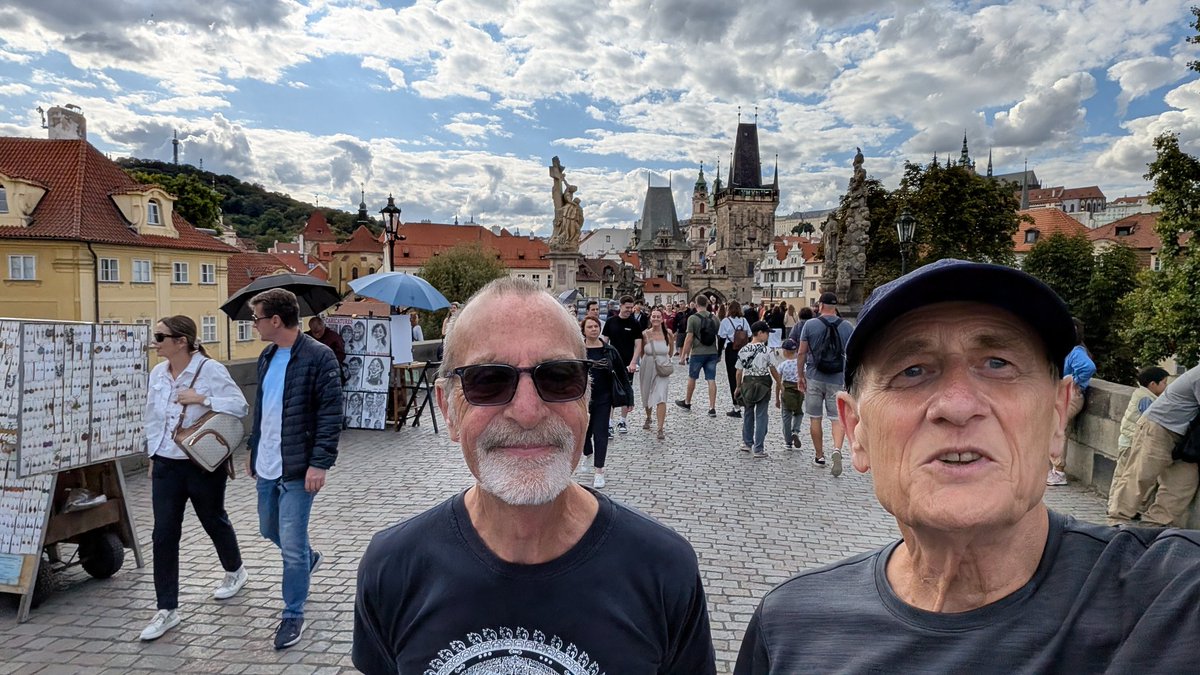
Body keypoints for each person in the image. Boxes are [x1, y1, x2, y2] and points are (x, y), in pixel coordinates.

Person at [735, 259, 1200, 673]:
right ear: (857, 430)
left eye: (998, 363)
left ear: (1058, 415)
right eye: (912, 371)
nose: (958, 406)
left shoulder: (1170, 598)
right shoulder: (790, 627)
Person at [353, 278, 716, 674]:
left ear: (587, 397)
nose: (527, 412)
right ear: (447, 407)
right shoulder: (392, 568)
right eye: (488, 380)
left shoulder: (663, 570)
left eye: (559, 377)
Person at [139, 316, 250, 641]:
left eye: (160, 336)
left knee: (213, 519)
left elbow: (240, 407)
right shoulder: (158, 373)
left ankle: (235, 571)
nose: (155, 342)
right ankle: (167, 609)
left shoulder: (209, 370)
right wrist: (152, 455)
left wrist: (202, 399)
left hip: (201, 462)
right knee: (163, 534)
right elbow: (152, 417)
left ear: (181, 341)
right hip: (166, 465)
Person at [247, 288, 344, 650]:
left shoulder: (320, 357)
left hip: (298, 467)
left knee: (290, 544)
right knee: (267, 527)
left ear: (275, 320)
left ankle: (292, 614)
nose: (253, 325)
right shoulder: (267, 355)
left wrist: (319, 463)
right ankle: (308, 558)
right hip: (267, 462)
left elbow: (331, 415)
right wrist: (252, 448)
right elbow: (263, 409)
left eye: (256, 318)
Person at [1106, 363, 1200, 527]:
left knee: (1183, 484)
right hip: (1160, 427)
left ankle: (1155, 526)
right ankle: (1117, 519)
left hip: (1187, 438)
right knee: (1141, 475)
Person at [796, 292, 854, 475]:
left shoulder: (810, 325)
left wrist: (800, 376)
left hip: (814, 376)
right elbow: (852, 356)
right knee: (837, 419)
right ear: (835, 307)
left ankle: (819, 456)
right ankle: (837, 450)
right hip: (837, 378)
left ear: (820, 306)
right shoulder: (847, 327)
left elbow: (801, 353)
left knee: (815, 418)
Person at [1105, 366, 1171, 524]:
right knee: (1124, 475)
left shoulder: (1140, 394)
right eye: (1164, 383)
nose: (1166, 387)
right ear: (1153, 384)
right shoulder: (1146, 399)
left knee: (1123, 474)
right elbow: (1148, 420)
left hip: (1127, 441)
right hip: (1131, 442)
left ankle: (1116, 505)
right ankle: (1114, 505)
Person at [579, 315, 633, 487]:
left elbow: (623, 376)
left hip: (604, 397)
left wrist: (629, 398)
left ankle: (599, 471)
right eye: (590, 327)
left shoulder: (609, 350)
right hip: (582, 398)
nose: (594, 329)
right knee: (583, 433)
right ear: (584, 330)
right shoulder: (578, 351)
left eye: (596, 326)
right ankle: (588, 454)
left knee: (600, 432)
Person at [1048, 317, 1096, 486]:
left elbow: (1088, 367)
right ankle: (1054, 470)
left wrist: (1075, 381)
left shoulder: (1075, 350)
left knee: (1058, 430)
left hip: (1071, 396)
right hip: (1064, 395)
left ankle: (1059, 472)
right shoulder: (1069, 350)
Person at [735, 321, 780, 459]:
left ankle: (747, 442)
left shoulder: (743, 350)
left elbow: (738, 371)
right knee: (761, 415)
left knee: (748, 413)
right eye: (766, 333)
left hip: (748, 383)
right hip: (763, 383)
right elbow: (773, 369)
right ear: (760, 333)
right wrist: (780, 383)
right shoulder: (767, 350)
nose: (768, 336)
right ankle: (759, 448)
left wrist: (738, 386)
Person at [601, 295, 643, 433]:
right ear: (620, 306)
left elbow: (638, 345)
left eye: (631, 308)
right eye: (627, 308)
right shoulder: (611, 322)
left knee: (626, 391)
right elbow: (604, 342)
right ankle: (609, 423)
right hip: (612, 362)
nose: (629, 310)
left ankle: (623, 421)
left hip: (627, 363)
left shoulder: (634, 324)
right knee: (610, 392)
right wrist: (602, 358)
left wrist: (633, 362)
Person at [676, 294, 720, 417]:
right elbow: (719, 336)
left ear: (696, 305)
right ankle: (712, 408)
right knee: (711, 379)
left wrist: (683, 355)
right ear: (707, 304)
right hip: (712, 352)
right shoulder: (715, 318)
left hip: (697, 353)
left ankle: (687, 402)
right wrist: (719, 353)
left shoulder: (693, 318)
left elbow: (689, 338)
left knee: (692, 377)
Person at [639, 308, 675, 440]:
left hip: (662, 367)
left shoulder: (668, 334)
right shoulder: (645, 334)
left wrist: (663, 360)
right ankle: (648, 416)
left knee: (661, 396)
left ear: (662, 318)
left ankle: (660, 428)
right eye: (653, 316)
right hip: (647, 365)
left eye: (658, 316)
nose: (655, 319)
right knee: (647, 392)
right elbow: (642, 351)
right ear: (650, 318)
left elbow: (670, 352)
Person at [719, 302, 752, 419]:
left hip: (731, 349)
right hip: (744, 349)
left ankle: (736, 405)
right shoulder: (744, 320)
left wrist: (719, 354)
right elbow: (750, 335)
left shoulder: (725, 321)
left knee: (732, 377)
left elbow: (721, 338)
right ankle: (747, 401)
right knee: (745, 375)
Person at [776, 338, 804, 450]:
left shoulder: (783, 365)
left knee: (786, 417)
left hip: (786, 391)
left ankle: (788, 442)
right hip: (798, 391)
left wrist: (777, 398)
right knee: (798, 412)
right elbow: (804, 378)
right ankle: (796, 431)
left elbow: (778, 382)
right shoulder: (801, 364)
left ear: (785, 351)